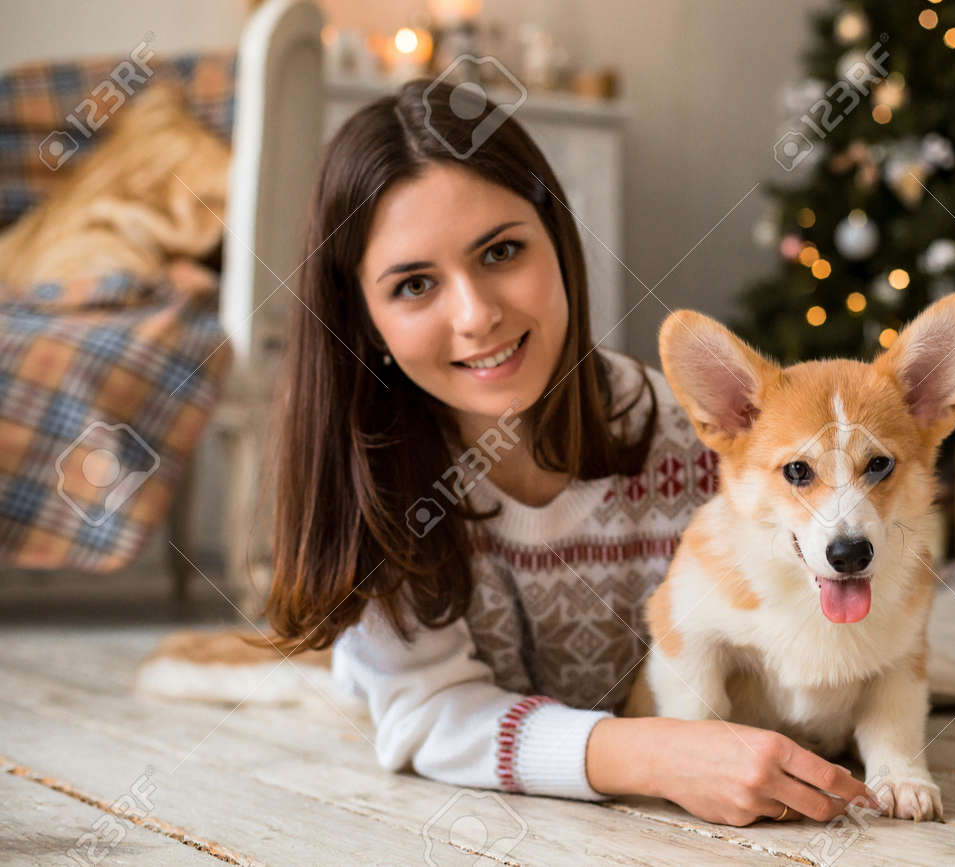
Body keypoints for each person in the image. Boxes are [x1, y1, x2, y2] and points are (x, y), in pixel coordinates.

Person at [262, 79, 875, 827]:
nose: (477, 314)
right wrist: (655, 755)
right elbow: (431, 713)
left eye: (502, 251)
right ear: (362, 317)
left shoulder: (690, 436)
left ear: (559, 241)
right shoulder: (374, 478)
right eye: (415, 284)